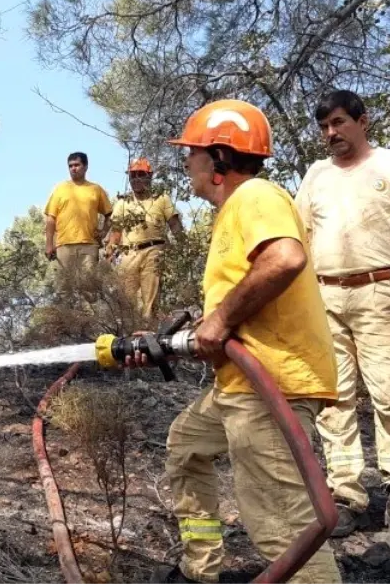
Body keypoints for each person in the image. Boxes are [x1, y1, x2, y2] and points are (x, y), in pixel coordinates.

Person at [132, 100, 341, 584]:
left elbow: (285, 259)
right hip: (242, 383)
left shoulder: (255, 196)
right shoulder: (231, 215)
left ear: (219, 159)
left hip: (270, 383)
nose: (186, 164)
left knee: (282, 526)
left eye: (192, 154)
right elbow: (235, 312)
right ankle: (200, 569)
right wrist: (184, 334)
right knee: (186, 445)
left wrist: (220, 319)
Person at [294, 89, 390, 545]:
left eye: (338, 122)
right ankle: (346, 495)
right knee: (334, 399)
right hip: (324, 296)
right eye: (323, 127)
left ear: (362, 121)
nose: (330, 133)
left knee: (389, 394)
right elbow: (300, 236)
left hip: (379, 290)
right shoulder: (316, 175)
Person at [105, 158, 184, 319]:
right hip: (129, 253)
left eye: (140, 174)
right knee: (127, 298)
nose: (136, 179)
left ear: (149, 176)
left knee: (151, 298)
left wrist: (183, 246)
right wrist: (110, 251)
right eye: (132, 175)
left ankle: (149, 331)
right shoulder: (122, 202)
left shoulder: (161, 198)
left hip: (155, 250)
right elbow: (116, 231)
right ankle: (130, 330)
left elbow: (174, 224)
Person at [44, 151, 113, 274]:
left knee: (88, 288)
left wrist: (103, 232)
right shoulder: (60, 189)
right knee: (64, 288)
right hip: (64, 245)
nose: (73, 169)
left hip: (89, 246)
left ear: (86, 166)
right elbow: (51, 218)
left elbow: (110, 214)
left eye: (76, 165)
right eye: (70, 166)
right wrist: (49, 244)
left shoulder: (96, 189)